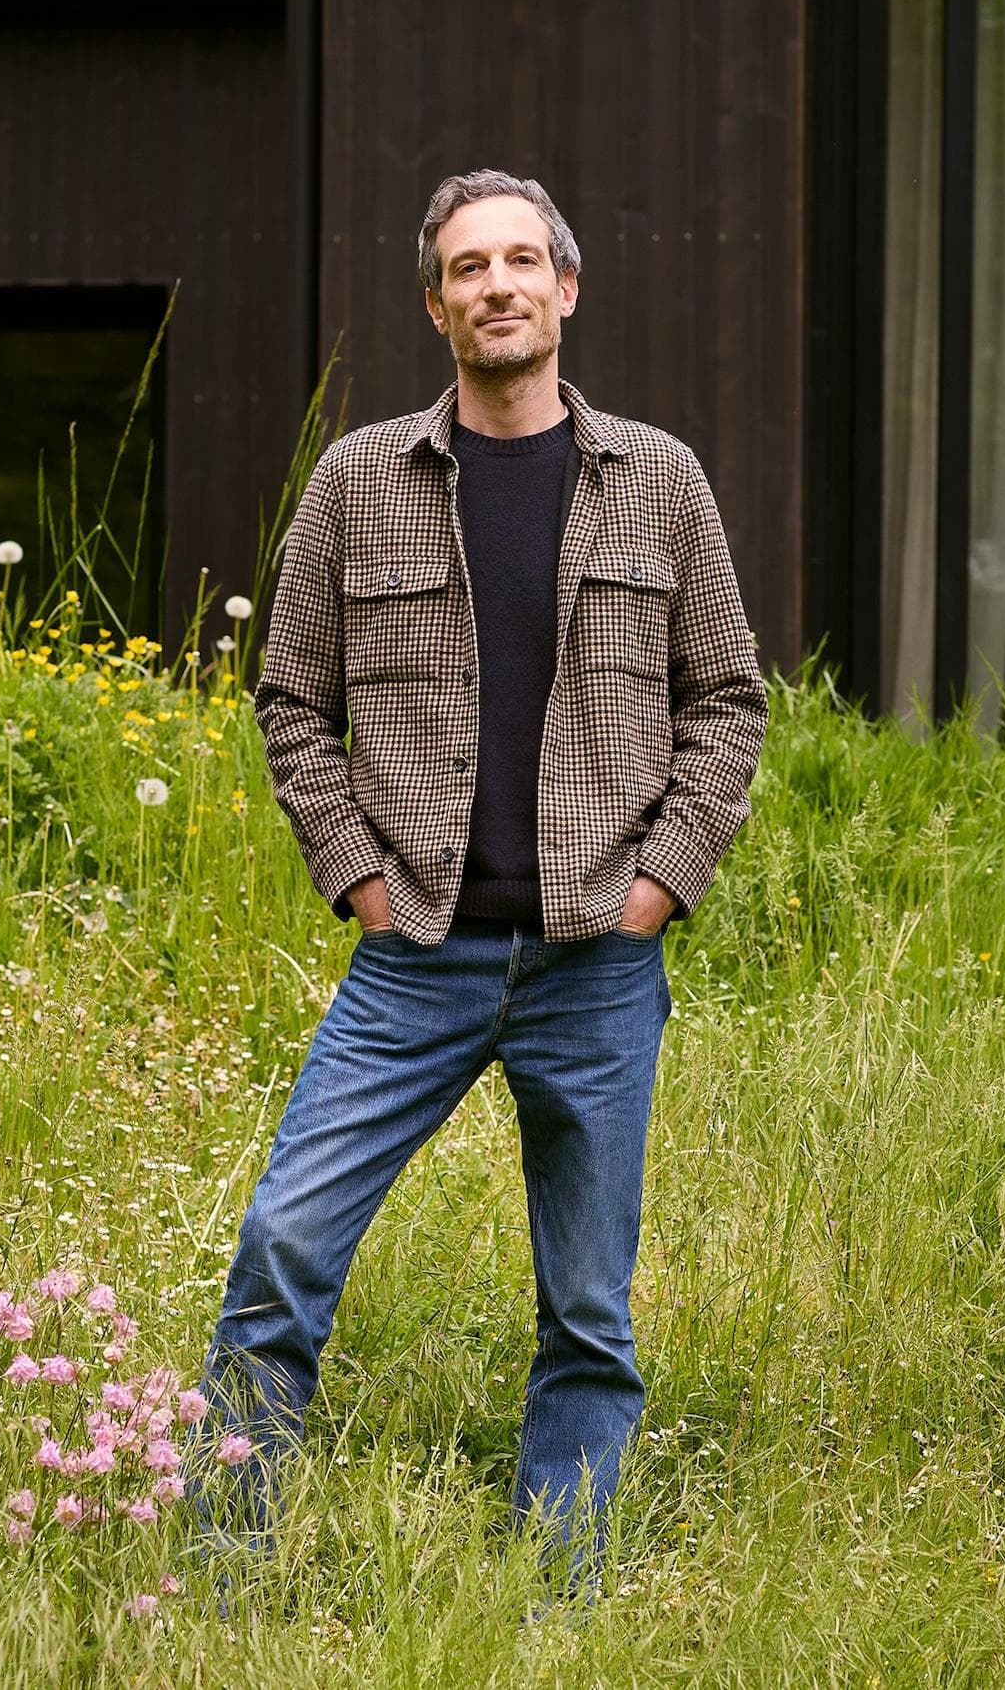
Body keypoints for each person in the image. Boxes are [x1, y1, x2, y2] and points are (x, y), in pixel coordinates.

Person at [204, 167, 768, 1579]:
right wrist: (358, 880)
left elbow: (728, 702)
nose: (498, 285)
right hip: (416, 957)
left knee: (587, 1307)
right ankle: (217, 1563)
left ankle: (558, 1592)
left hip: (598, 960)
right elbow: (287, 700)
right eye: (469, 267)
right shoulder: (356, 484)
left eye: (522, 261)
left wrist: (659, 883)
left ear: (566, 291)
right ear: (437, 302)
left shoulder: (662, 483)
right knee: (282, 1245)